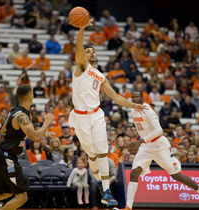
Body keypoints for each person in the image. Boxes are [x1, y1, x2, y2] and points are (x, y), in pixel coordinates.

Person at [68, 18, 146, 206]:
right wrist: (81, 29)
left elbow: (116, 98)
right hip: (79, 117)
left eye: (93, 50)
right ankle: (99, 180)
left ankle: (106, 192)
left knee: (102, 153)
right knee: (92, 155)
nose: (91, 52)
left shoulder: (101, 75)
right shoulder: (81, 67)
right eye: (88, 51)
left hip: (96, 114)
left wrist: (133, 105)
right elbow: (78, 47)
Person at [115, 90, 199, 210]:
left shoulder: (148, 111)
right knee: (134, 173)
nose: (135, 99)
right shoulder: (132, 111)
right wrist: (140, 142)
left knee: (175, 175)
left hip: (158, 144)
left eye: (137, 97)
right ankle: (128, 207)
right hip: (146, 145)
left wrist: (139, 141)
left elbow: (159, 131)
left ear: (142, 99)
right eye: (133, 97)